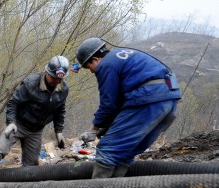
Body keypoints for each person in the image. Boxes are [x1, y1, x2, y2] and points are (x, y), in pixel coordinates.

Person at [75, 37, 181, 178]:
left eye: (88, 67)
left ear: (95, 59)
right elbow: (120, 104)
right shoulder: (124, 56)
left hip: (148, 99)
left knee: (108, 149)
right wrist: (107, 128)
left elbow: (109, 104)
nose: (92, 72)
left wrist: (93, 129)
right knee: (127, 151)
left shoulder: (106, 64)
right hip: (170, 100)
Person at [0, 56, 70, 183]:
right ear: (47, 72)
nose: (57, 81)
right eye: (54, 78)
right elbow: (13, 103)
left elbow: (60, 110)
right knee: (0, 150)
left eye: (60, 79)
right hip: (18, 124)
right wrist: (11, 122)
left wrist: (58, 131)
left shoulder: (63, 89)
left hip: (36, 130)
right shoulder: (31, 83)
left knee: (31, 166)